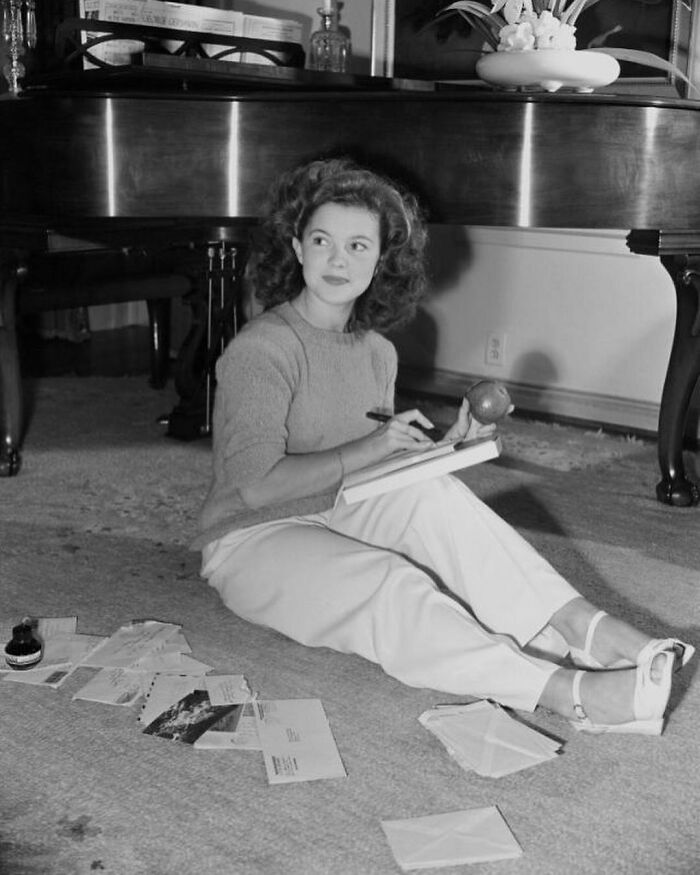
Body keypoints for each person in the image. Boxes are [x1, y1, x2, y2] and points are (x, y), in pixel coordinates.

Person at [194, 157, 694, 735]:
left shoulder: (377, 351)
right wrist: (374, 447)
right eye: (323, 240)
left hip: (335, 506)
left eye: (359, 246)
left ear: (381, 261)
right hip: (251, 537)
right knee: (388, 584)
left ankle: (586, 629)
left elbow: (372, 466)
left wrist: (445, 448)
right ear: (297, 247)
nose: (338, 259)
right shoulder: (264, 350)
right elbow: (257, 488)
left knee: (435, 494)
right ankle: (566, 693)